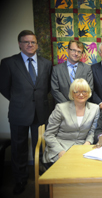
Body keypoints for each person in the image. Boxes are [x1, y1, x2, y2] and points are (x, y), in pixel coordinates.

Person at [0, 30, 52, 194]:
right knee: (19, 147)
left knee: (42, 145)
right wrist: (19, 100)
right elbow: (4, 87)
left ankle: (41, 175)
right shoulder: (8, 63)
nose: (30, 45)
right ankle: (20, 180)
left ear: (37, 44)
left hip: (41, 112)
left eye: (33, 42)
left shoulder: (46, 63)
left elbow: (48, 87)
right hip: (19, 112)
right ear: (20, 44)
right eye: (26, 42)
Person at [43, 78, 99, 167]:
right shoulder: (60, 108)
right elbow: (49, 134)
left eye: (84, 91)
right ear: (72, 94)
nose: (81, 94)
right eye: (77, 91)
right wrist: (60, 151)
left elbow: (92, 131)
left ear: (88, 93)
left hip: (82, 147)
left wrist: (87, 143)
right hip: (61, 146)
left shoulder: (95, 109)